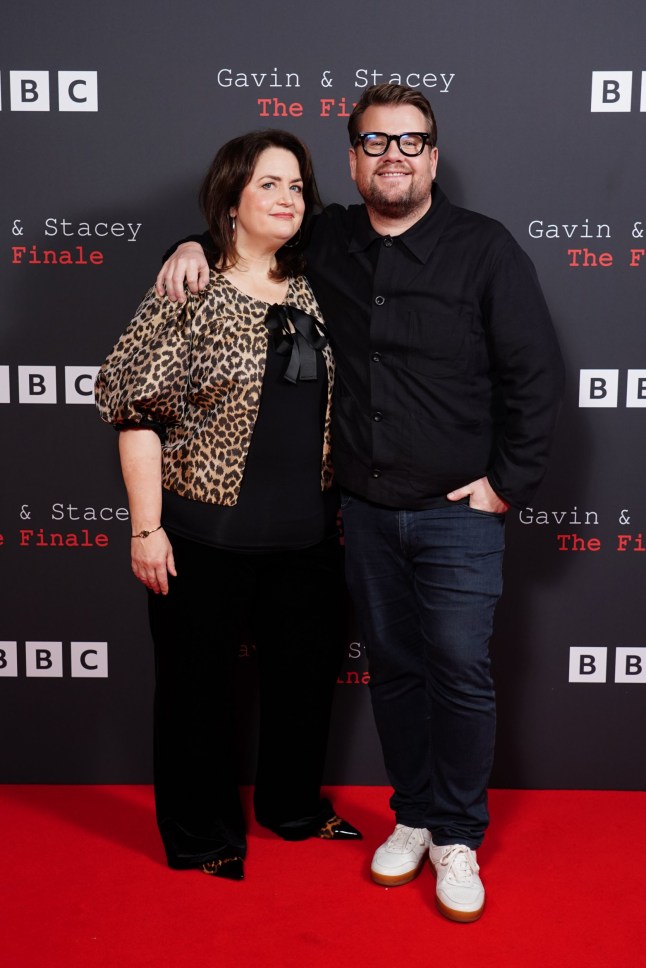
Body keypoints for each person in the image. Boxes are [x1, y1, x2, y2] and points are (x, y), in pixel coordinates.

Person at [156, 84, 564, 919]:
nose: (393, 157)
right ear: (352, 159)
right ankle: (412, 813)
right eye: (375, 143)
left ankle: (456, 835)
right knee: (397, 673)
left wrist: (507, 484)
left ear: (433, 156)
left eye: (410, 143)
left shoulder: (486, 250)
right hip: (366, 514)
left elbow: (535, 377)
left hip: (459, 515)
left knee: (458, 670)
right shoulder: (329, 237)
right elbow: (248, 237)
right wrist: (187, 245)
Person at [95, 129, 361, 883]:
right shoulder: (189, 286)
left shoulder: (315, 283)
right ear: (232, 198)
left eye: (297, 187)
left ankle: (294, 809)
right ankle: (200, 833)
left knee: (304, 686)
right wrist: (145, 529)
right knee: (194, 697)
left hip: (308, 536)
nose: (288, 199)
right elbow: (135, 411)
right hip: (203, 534)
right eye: (269, 185)